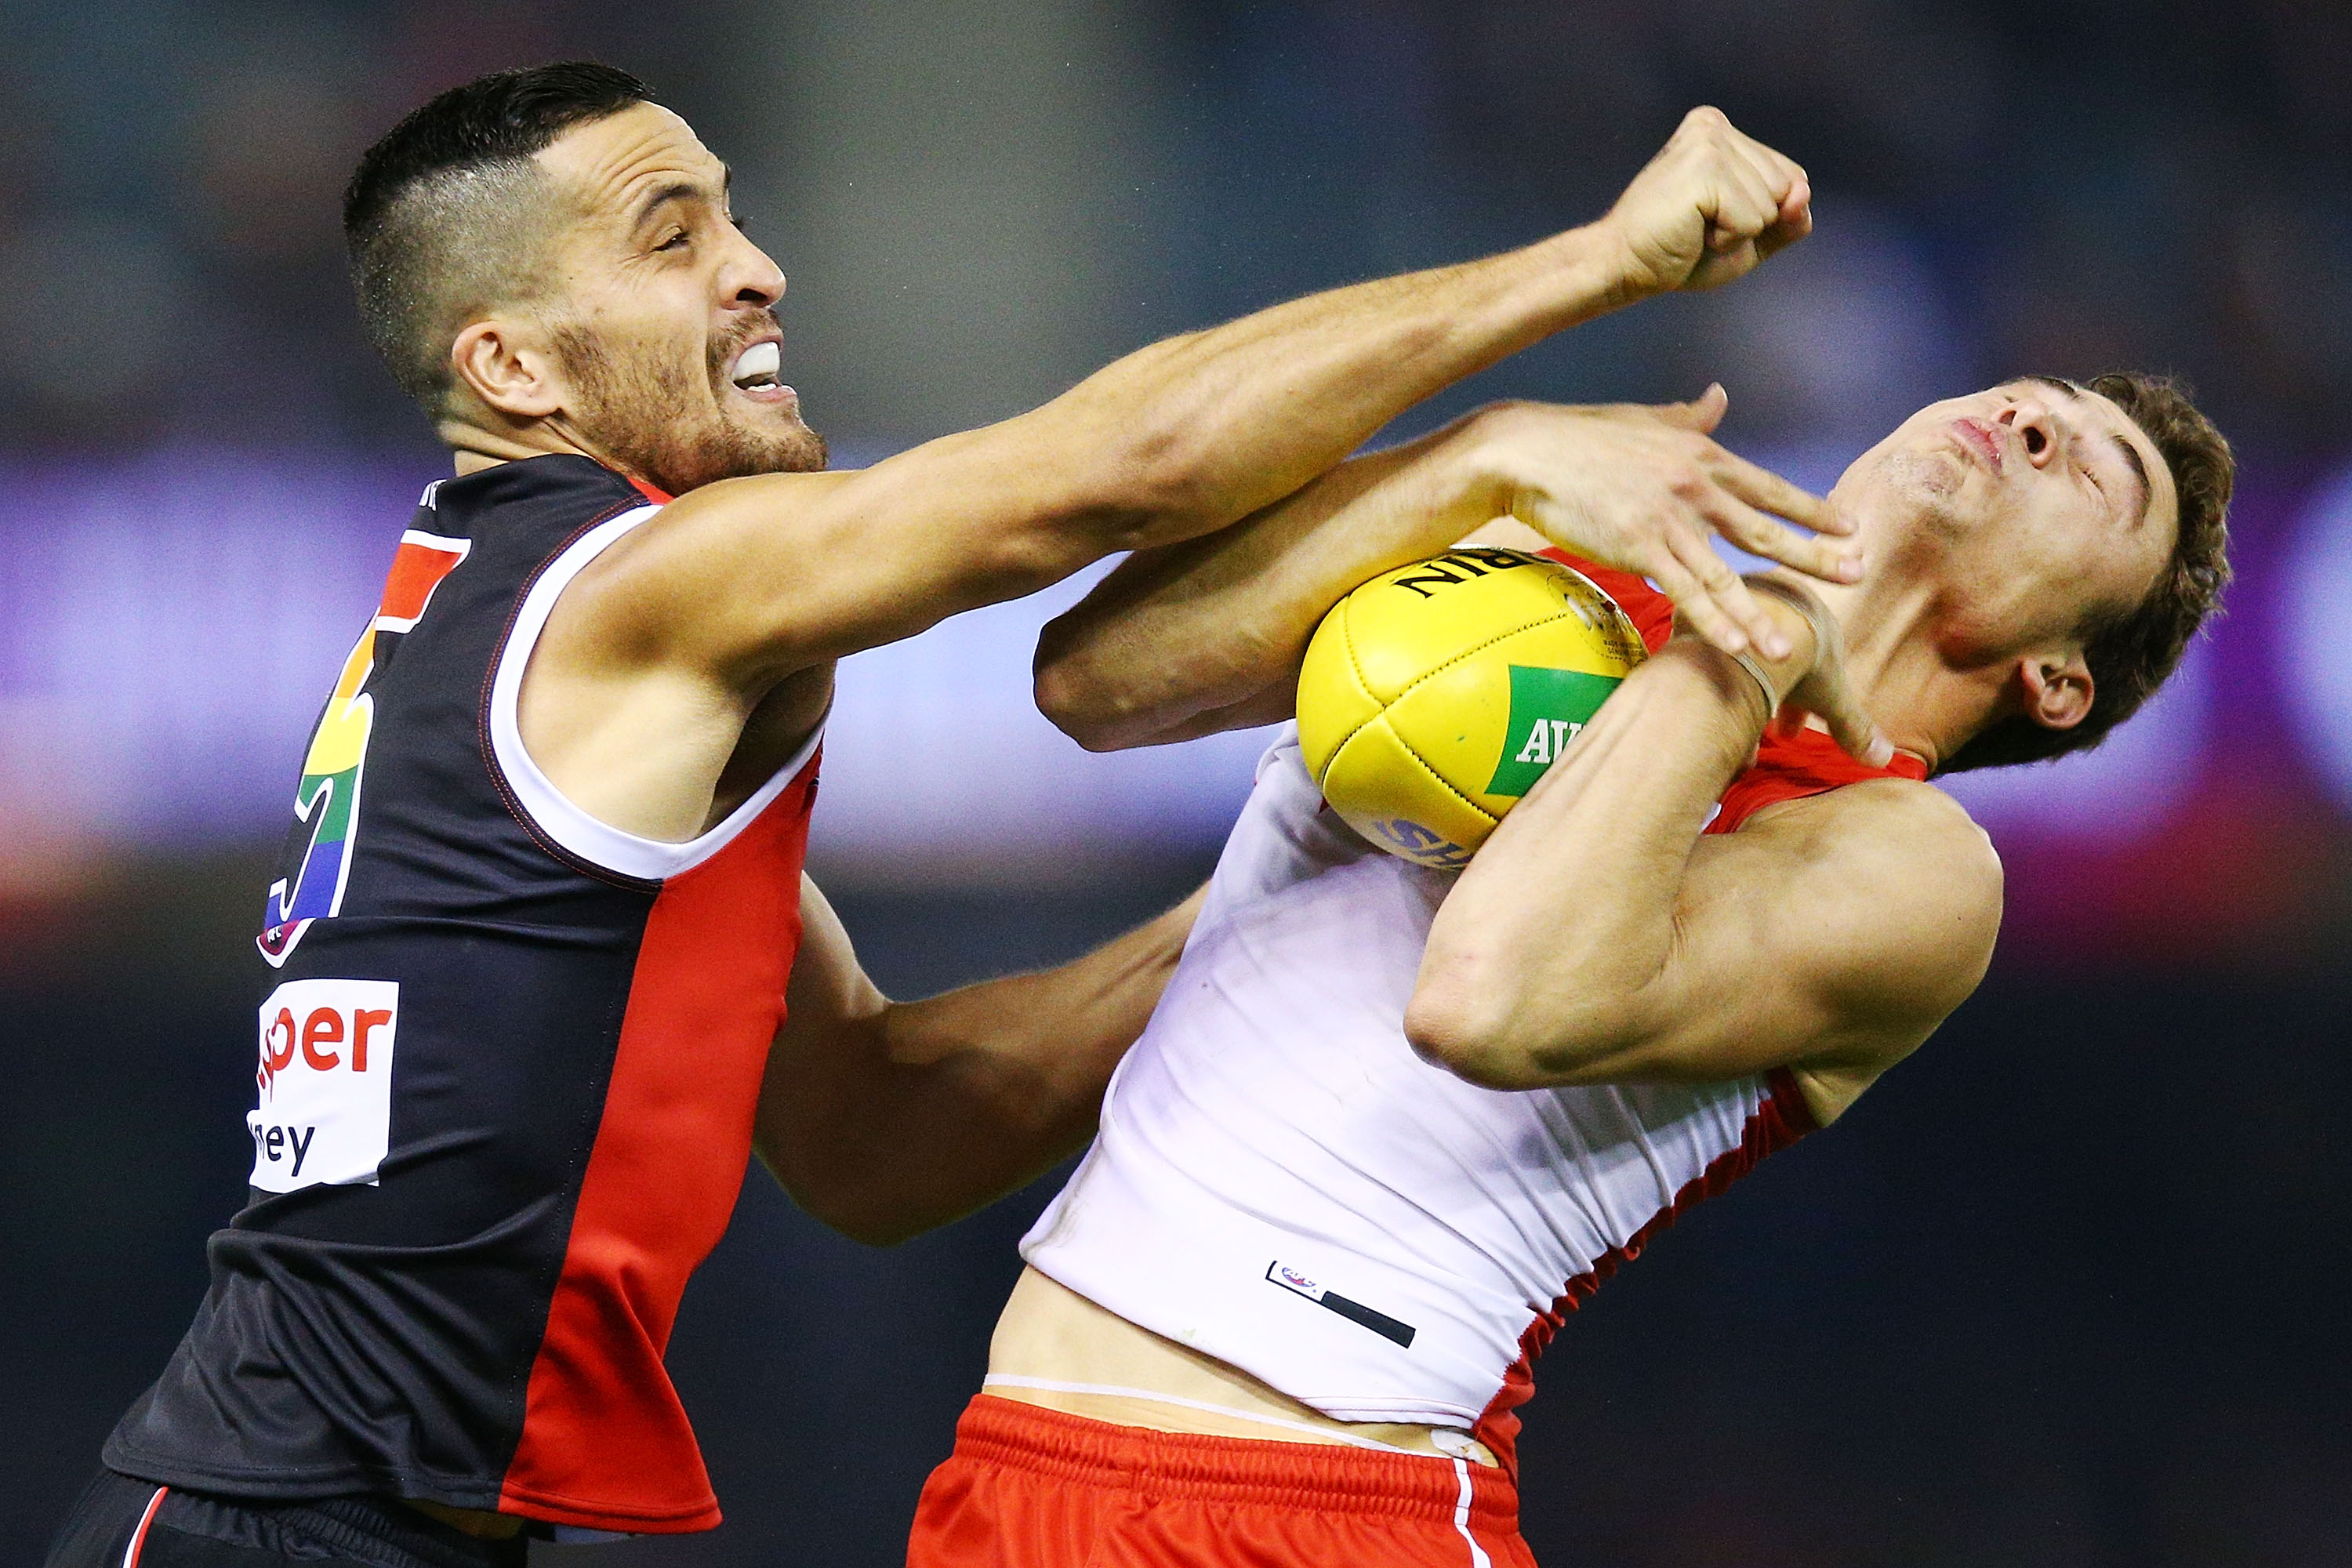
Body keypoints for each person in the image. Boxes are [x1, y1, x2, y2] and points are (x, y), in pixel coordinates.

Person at [45, 58, 1860, 1568]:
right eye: (672, 237)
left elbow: (877, 1138)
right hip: (277, 1523)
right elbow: (1121, 471)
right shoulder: (627, 590)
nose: (757, 270)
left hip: (343, 1516)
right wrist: (1559, 327)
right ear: (513, 368)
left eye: (735, 216)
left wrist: (1281, 907)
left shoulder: (522, 652)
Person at [907, 369, 2233, 1567]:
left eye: (2098, 474)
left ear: (2059, 681)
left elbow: (1488, 996)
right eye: (2029, 397)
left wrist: (1752, 646)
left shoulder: (1912, 867)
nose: (2031, 423)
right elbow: (1095, 681)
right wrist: (1486, 458)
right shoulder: (1552, 583)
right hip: (1011, 1471)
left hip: (1322, 1506)